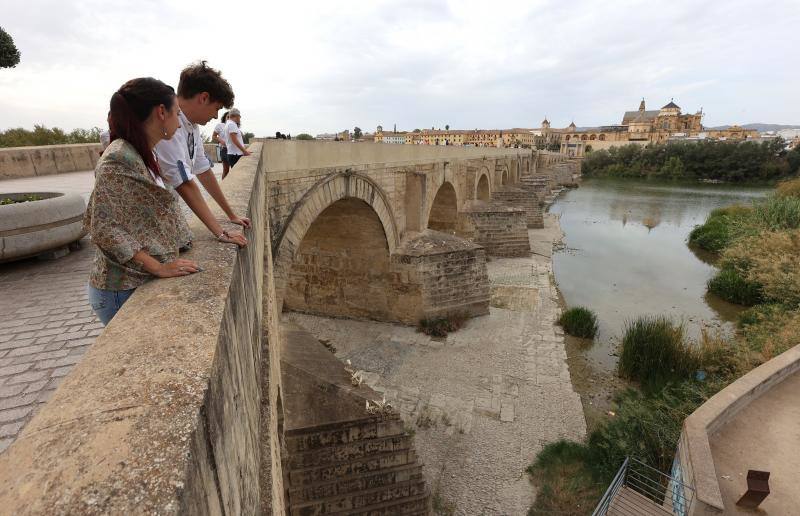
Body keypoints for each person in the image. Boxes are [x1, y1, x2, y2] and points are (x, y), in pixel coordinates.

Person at [84, 78, 201, 325]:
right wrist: (158, 267)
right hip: (122, 288)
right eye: (177, 113)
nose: (179, 122)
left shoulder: (142, 152)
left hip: (133, 282)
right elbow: (103, 228)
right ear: (161, 112)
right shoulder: (118, 158)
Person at [155, 61, 249, 247]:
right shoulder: (168, 121)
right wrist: (221, 233)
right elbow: (185, 184)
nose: (215, 116)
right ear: (203, 98)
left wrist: (231, 215)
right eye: (217, 108)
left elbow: (203, 171)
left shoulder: (192, 126)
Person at [213, 111, 230, 179]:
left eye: (231, 117)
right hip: (224, 150)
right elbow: (214, 136)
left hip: (234, 150)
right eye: (228, 117)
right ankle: (224, 187)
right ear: (225, 117)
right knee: (226, 171)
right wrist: (221, 140)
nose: (229, 118)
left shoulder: (234, 126)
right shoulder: (220, 125)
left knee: (235, 170)